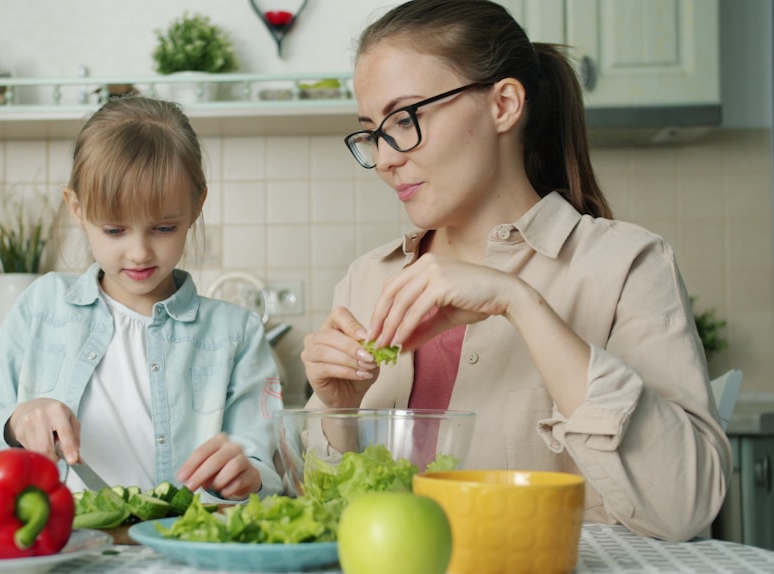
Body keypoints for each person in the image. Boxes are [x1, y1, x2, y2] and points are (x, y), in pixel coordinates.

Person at [301, 0, 731, 541]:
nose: (385, 158)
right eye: (372, 132)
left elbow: (683, 508)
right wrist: (340, 412)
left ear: (503, 105)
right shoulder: (366, 279)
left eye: (404, 119)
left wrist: (520, 302)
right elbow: (322, 519)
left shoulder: (628, 266)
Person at [0, 96, 285, 502]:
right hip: (64, 547)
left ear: (197, 206)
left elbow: (267, 472)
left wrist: (247, 477)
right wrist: (14, 423)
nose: (140, 252)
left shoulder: (237, 334)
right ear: (76, 208)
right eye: (114, 230)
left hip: (182, 556)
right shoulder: (41, 308)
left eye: (163, 228)